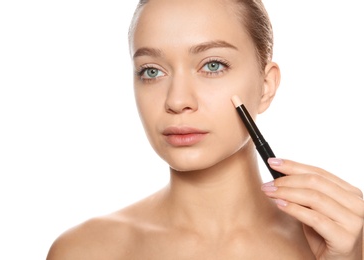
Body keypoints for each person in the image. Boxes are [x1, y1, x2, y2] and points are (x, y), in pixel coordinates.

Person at [46, 0, 364, 259]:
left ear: (266, 86)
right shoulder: (85, 251)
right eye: (152, 71)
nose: (177, 100)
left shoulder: (340, 242)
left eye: (212, 65)